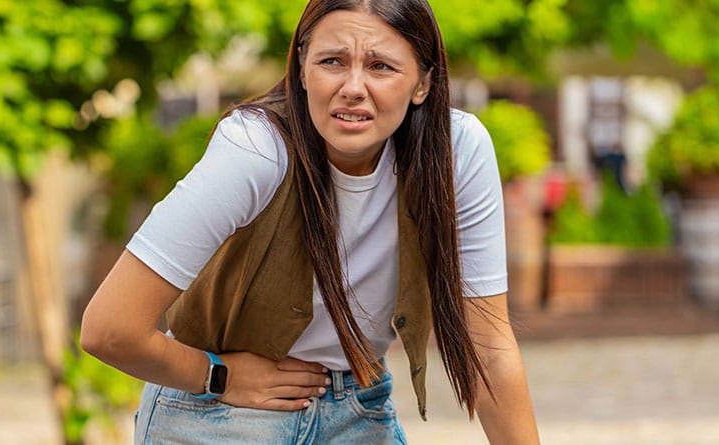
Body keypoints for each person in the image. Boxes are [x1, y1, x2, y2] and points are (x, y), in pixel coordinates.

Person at [80, 0, 540, 443]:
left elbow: (489, 348)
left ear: (422, 83)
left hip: (358, 407)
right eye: (333, 61)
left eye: (381, 66)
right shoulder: (255, 151)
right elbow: (109, 328)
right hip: (218, 414)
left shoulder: (455, 153)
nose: (354, 87)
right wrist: (218, 375)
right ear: (302, 67)